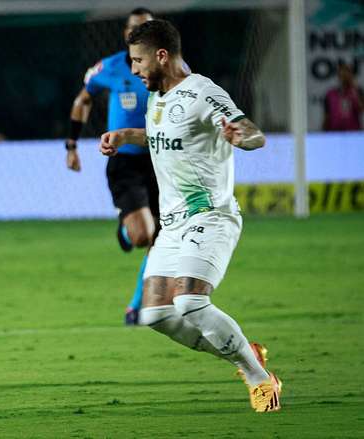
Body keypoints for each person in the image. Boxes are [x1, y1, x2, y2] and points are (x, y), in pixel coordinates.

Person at [99, 19, 282, 412]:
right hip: (173, 223)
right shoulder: (157, 95)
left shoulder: (203, 92)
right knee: (155, 314)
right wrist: (125, 136)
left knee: (189, 304)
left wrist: (240, 137)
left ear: (161, 56)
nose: (134, 70)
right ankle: (245, 354)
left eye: (138, 61)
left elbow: (252, 131)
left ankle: (259, 378)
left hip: (211, 216)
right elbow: (162, 137)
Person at [65, 8, 157, 325]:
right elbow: (83, 99)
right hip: (125, 164)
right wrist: (72, 144)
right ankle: (125, 228)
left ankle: (136, 306)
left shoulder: (172, 68)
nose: (141, 31)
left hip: (162, 161)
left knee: (162, 240)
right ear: (126, 33)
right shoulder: (111, 67)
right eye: (135, 28)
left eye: (147, 27)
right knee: (143, 235)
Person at [323, 61, 363, 131]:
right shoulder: (331, 94)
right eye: (342, 72)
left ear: (352, 74)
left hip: (353, 132)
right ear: (339, 75)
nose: (345, 75)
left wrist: (353, 90)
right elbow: (327, 116)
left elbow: (361, 110)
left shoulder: (357, 91)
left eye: (347, 72)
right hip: (334, 132)